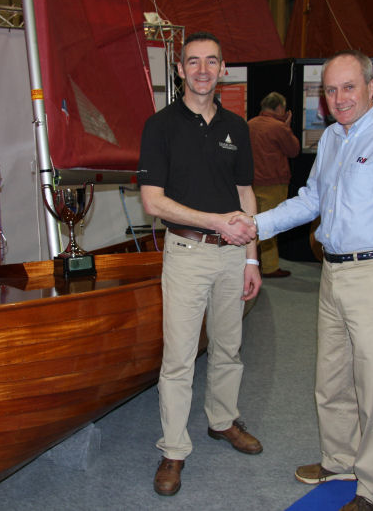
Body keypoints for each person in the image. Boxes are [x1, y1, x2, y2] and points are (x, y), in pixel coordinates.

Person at [237, 50, 373, 511]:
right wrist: (256, 225)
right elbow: (310, 200)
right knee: (332, 380)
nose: (340, 98)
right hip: (333, 273)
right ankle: (340, 459)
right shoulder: (332, 140)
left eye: (349, 87)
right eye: (331, 90)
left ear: (370, 86)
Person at [137, 31, 263, 497]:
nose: (203, 70)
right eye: (193, 62)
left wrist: (252, 256)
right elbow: (153, 201)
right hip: (187, 254)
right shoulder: (160, 125)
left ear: (224, 68)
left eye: (212, 61)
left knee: (229, 348)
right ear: (179, 70)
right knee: (179, 359)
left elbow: (246, 193)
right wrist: (215, 221)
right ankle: (173, 448)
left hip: (234, 256)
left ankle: (223, 421)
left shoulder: (238, 127)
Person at [248, 91, 300, 278]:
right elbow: (294, 150)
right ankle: (269, 267)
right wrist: (287, 126)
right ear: (279, 108)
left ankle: (251, 262)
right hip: (274, 183)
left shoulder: (249, 125)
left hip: (251, 184)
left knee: (253, 224)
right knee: (270, 225)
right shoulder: (278, 127)